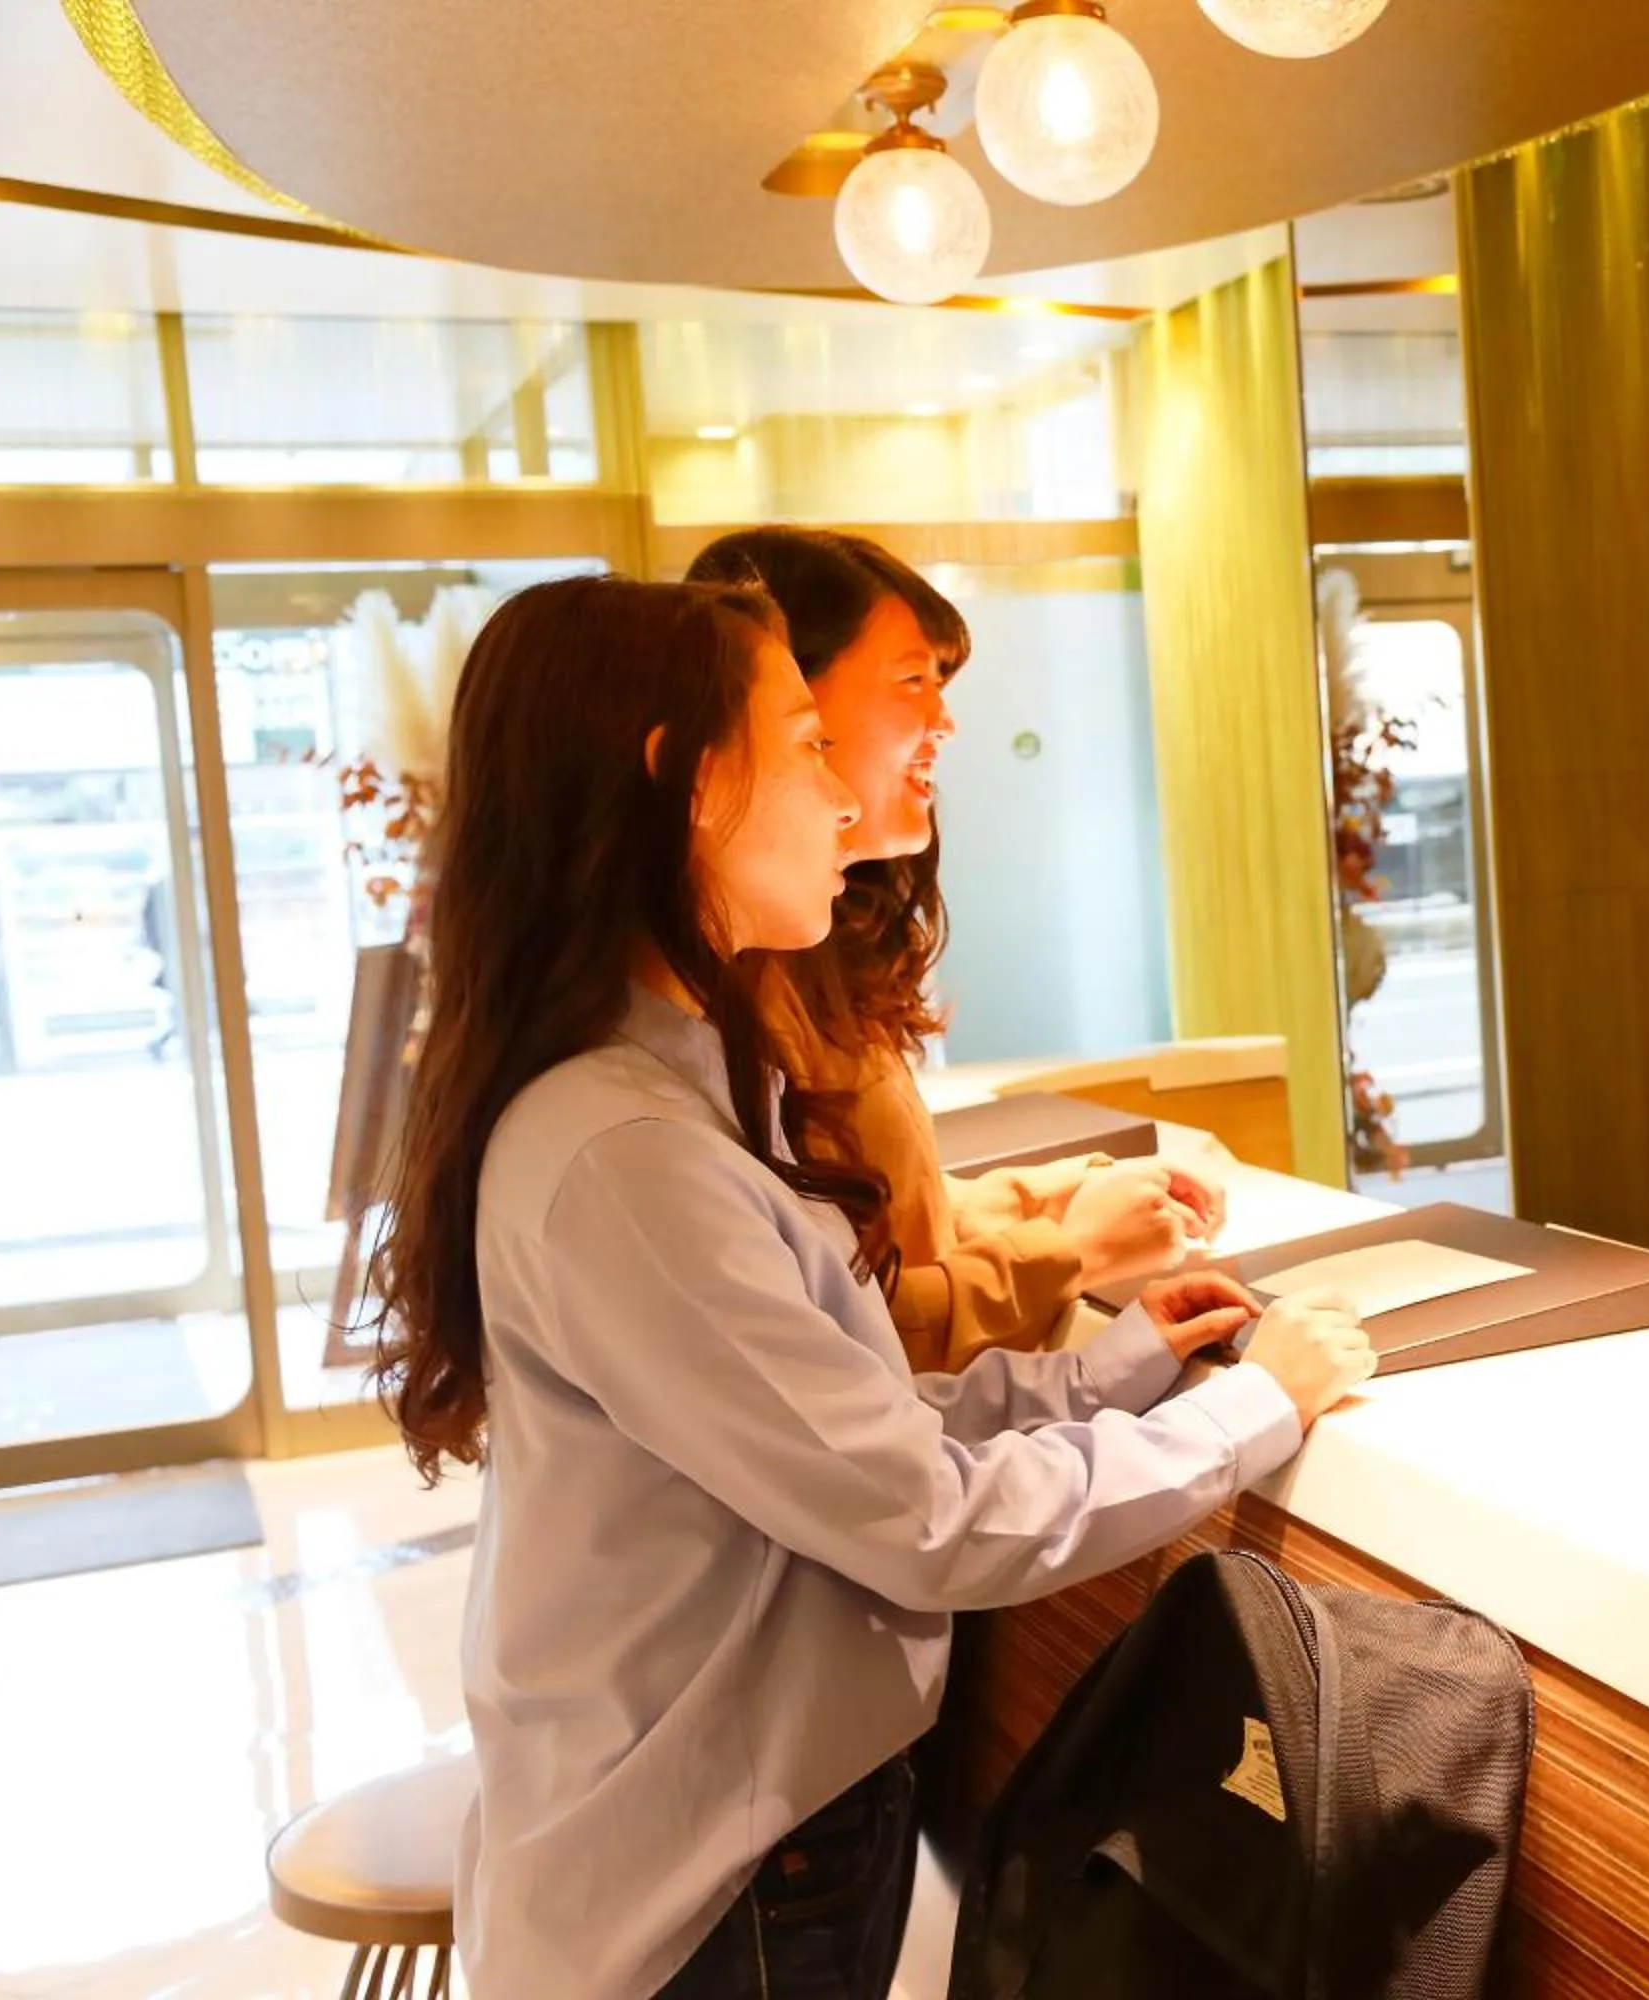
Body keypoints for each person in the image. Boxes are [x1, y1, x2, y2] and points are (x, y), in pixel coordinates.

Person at [370, 575, 1374, 1997]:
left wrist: (1114, 1363)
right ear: (691, 781)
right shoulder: (627, 1155)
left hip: (726, 1850)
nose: (846, 801)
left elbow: (841, 1417)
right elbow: (922, 1521)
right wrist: (1249, 1413)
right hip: (704, 1890)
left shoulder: (663, 1093)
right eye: (805, 745)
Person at [683, 527, 1211, 1371]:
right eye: (912, 682)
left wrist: (1050, 1197)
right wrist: (1070, 1252)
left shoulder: (814, 951)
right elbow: (849, 1321)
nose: (945, 722)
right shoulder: (723, 999)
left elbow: (880, 1220)